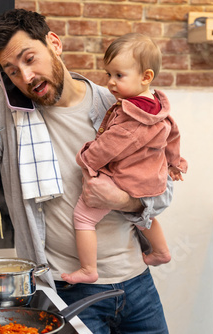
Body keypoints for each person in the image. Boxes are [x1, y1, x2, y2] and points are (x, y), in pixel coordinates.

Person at [0, 9, 171, 333]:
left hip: (137, 284)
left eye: (30, 58)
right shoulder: (6, 105)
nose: (25, 77)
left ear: (54, 43)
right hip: (64, 288)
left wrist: (123, 199)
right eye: (11, 70)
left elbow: (162, 193)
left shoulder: (115, 106)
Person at [62, 33, 187, 285]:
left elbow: (107, 147)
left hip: (127, 178)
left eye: (119, 76)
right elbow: (173, 134)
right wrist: (175, 163)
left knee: (84, 218)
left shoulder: (131, 117)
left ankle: (88, 269)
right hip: (150, 180)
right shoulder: (158, 108)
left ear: (146, 76)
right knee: (143, 216)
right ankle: (161, 252)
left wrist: (85, 159)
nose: (110, 83)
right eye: (108, 75)